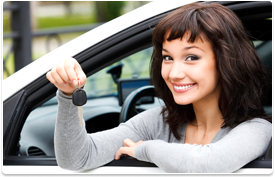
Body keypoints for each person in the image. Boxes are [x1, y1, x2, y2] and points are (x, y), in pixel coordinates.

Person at [46, 2, 272, 173]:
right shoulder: (158, 123)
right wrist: (68, 95)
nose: (174, 73)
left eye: (191, 57)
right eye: (167, 58)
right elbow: (77, 158)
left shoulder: (256, 128)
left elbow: (205, 164)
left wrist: (144, 150)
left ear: (227, 61)